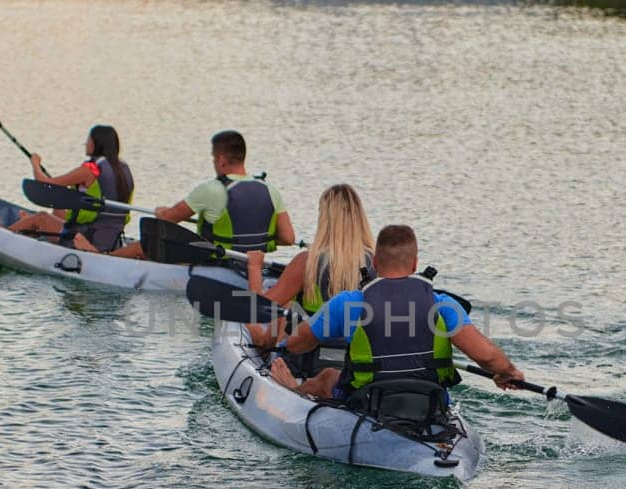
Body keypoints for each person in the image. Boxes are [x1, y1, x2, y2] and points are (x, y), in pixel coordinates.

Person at [267, 224, 524, 399]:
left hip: (366, 399)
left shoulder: (348, 304)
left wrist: (284, 342)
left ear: (375, 263)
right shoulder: (443, 305)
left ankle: (294, 392)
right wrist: (508, 372)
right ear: (415, 264)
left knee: (327, 376)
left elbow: (299, 344)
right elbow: (488, 358)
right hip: (428, 401)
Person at [111, 130, 295, 259]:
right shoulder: (271, 190)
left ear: (221, 160)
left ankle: (105, 258)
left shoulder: (212, 189)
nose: (214, 163)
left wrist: (161, 212)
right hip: (255, 265)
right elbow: (288, 238)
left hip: (217, 263)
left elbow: (169, 218)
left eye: (214, 159)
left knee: (148, 245)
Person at [242, 183, 375, 349]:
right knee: (288, 304)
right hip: (352, 358)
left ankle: (266, 347)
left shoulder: (307, 262)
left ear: (324, 219)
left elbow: (256, 310)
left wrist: (254, 268)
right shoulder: (378, 262)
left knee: (276, 308)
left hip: (307, 360)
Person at [0, 124, 135, 253]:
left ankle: (2, 233)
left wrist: (35, 163)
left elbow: (44, 183)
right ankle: (28, 226)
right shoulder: (123, 169)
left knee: (41, 217)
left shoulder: (90, 170)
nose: (86, 143)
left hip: (86, 238)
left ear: (96, 144)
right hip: (112, 238)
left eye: (89, 140)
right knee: (58, 209)